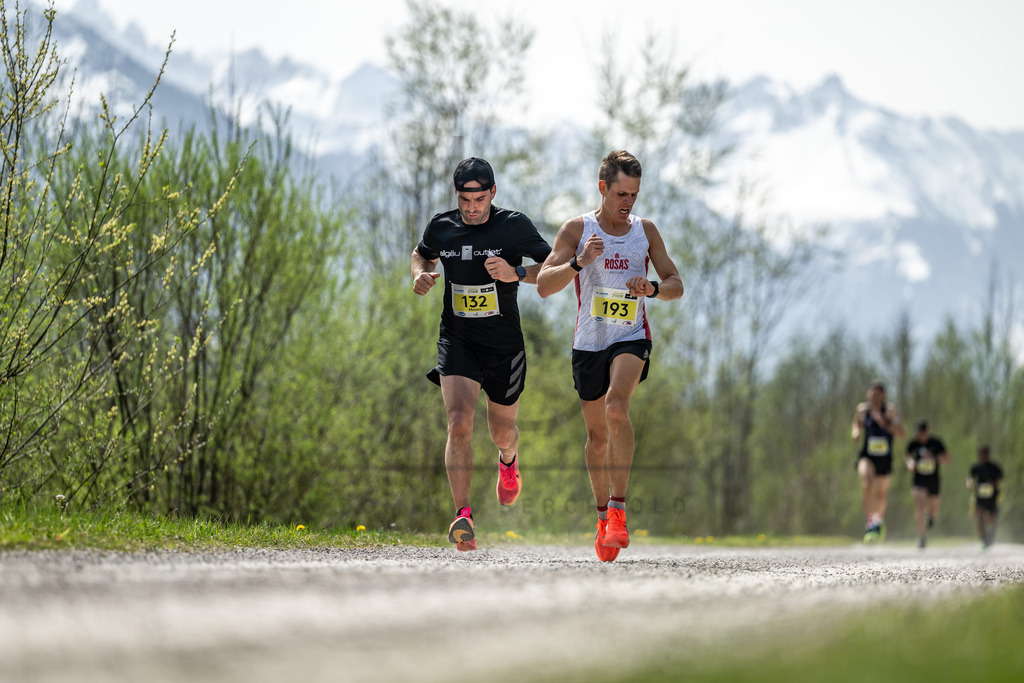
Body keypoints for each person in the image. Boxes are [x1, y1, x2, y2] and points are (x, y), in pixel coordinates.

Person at [537, 150, 684, 562]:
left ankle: (618, 511)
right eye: (621, 193)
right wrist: (578, 262)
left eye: (634, 195)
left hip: (631, 337)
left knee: (616, 408)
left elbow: (676, 284)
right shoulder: (577, 230)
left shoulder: (645, 231)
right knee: (597, 439)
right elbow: (545, 285)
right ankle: (602, 518)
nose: (628, 203)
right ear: (603, 188)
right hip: (589, 342)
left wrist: (652, 288)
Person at [411, 157, 552, 552]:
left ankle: (509, 458)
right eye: (464, 199)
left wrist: (516, 273)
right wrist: (419, 274)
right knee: (458, 423)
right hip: (457, 339)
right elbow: (421, 254)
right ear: (456, 196)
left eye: (479, 199)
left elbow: (555, 266)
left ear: (493, 192)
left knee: (500, 433)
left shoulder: (513, 225)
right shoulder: (442, 225)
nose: (471, 208)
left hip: (503, 345)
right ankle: (463, 516)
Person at [850, 380, 905, 542]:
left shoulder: (890, 411)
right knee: (867, 483)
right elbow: (856, 424)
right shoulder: (862, 410)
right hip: (867, 455)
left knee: (881, 495)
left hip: (884, 458)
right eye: (872, 392)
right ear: (868, 394)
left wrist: (886, 425)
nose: (875, 396)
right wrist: (856, 432)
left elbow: (901, 433)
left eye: (878, 393)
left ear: (884, 395)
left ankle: (878, 520)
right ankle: (870, 523)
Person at [904, 419, 950, 548]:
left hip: (933, 480)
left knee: (934, 508)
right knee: (920, 506)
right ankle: (922, 537)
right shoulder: (913, 444)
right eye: (918, 433)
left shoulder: (936, 443)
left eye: (922, 432)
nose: (920, 435)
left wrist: (936, 459)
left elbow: (947, 458)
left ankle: (932, 517)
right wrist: (910, 463)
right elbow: (907, 455)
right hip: (919, 480)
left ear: (927, 431)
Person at [967, 445, 1004, 549]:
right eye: (980, 455)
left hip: (992, 497)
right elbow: (970, 477)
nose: (982, 457)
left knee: (991, 518)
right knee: (979, 517)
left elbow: (1001, 477)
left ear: (987, 455)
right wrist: (970, 483)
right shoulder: (975, 467)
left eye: (984, 455)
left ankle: (991, 534)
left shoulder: (993, 467)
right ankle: (983, 539)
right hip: (980, 496)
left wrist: (993, 483)